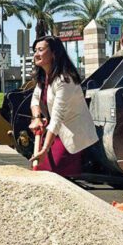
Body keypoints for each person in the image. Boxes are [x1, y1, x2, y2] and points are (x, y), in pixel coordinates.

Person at [28, 36, 97, 177]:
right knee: (41, 172)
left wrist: (45, 149)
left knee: (56, 174)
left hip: (69, 136)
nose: (36, 54)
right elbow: (35, 99)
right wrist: (36, 118)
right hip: (52, 133)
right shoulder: (44, 77)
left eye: (40, 50)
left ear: (54, 53)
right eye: (35, 50)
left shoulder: (65, 80)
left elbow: (57, 118)